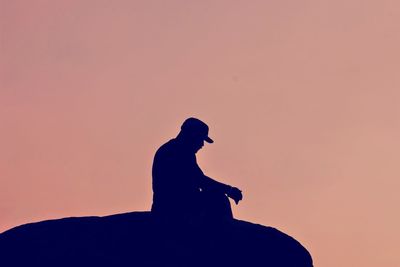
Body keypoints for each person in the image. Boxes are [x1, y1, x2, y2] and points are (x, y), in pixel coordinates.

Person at [151, 117, 243, 222]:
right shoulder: (176, 152)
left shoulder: (176, 150)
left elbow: (198, 180)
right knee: (219, 200)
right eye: (201, 139)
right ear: (192, 135)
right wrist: (228, 190)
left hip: (174, 205)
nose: (202, 145)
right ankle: (226, 235)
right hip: (173, 209)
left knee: (215, 198)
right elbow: (199, 180)